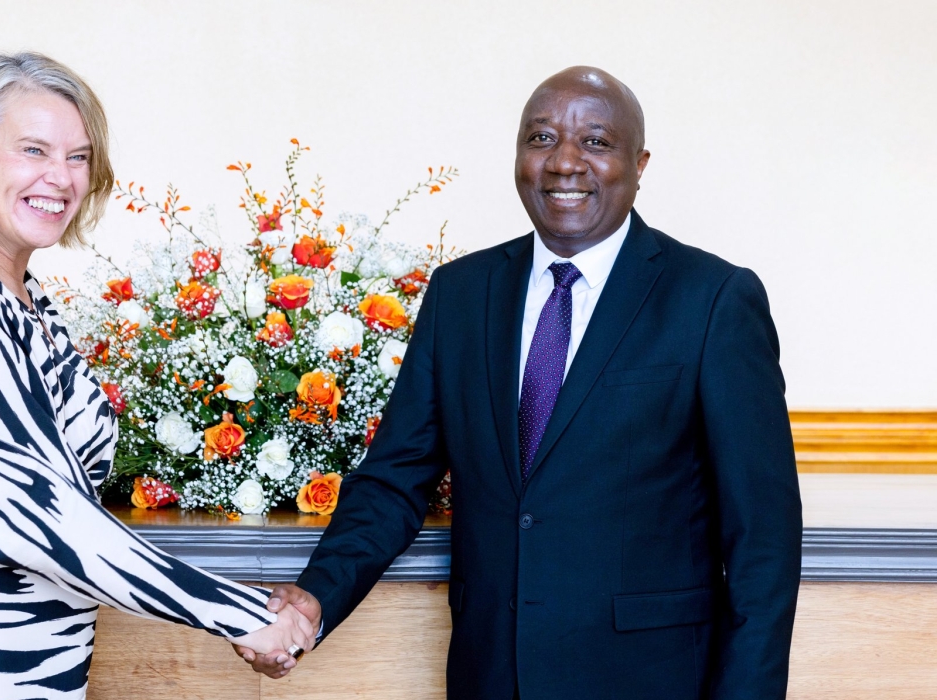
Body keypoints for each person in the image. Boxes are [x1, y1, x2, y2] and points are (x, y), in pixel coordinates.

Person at [238, 66, 803, 699]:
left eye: (595, 141)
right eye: (540, 139)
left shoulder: (713, 300)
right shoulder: (461, 295)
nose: (564, 162)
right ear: (517, 156)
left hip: (649, 679)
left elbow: (764, 541)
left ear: (639, 162)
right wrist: (315, 598)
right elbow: (395, 479)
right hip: (491, 676)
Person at [0, 52, 313, 700]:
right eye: (34, 149)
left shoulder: (24, 300)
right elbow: (36, 514)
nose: (60, 177)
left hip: (30, 674)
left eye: (79, 157)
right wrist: (241, 615)